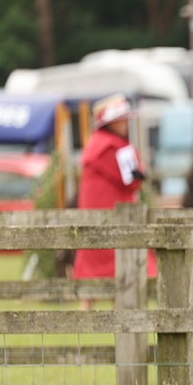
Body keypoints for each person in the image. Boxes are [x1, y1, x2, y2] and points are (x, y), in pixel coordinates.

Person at [72, 94, 155, 309]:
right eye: (120, 119)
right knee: (116, 262)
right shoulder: (111, 146)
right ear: (110, 122)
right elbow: (131, 181)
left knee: (96, 263)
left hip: (101, 214)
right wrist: (142, 170)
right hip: (113, 213)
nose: (125, 123)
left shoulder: (99, 143)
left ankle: (89, 317)